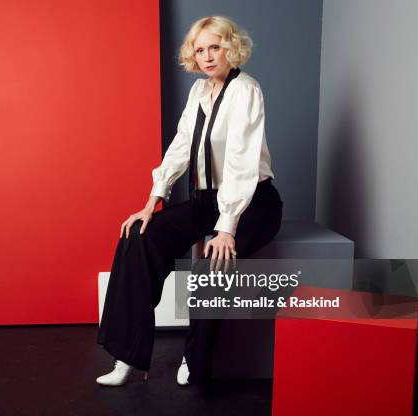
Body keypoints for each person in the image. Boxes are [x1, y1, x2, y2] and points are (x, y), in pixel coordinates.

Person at [96, 15, 283, 386]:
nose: (208, 56)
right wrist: (153, 200)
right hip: (206, 200)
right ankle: (128, 356)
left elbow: (241, 161)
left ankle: (195, 361)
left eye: (215, 47)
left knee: (213, 261)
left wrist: (227, 226)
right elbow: (181, 147)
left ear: (231, 47)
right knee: (139, 237)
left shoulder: (246, 90)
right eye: (200, 50)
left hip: (252, 202)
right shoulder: (198, 92)